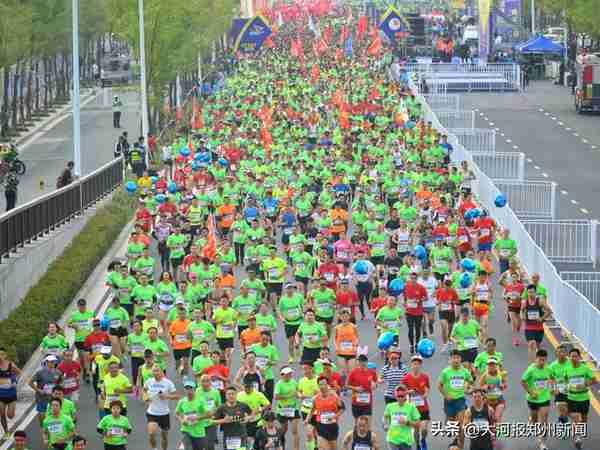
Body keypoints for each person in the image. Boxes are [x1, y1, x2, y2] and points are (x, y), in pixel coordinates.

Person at [566, 348, 597, 449]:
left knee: (583, 419)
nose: (573, 358)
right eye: (571, 356)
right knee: (576, 419)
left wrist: (584, 384)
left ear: (579, 357)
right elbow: (564, 380)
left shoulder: (585, 368)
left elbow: (594, 380)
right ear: (569, 357)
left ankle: (579, 433)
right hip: (571, 398)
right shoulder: (567, 369)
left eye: (575, 356)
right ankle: (577, 437)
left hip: (584, 398)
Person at [521, 349, 552, 450]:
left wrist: (553, 388)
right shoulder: (531, 369)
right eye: (540, 360)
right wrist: (531, 392)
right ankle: (531, 420)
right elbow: (523, 381)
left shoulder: (548, 369)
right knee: (534, 420)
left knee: (544, 420)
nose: (542, 362)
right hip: (533, 399)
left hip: (545, 398)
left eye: (544, 360)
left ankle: (542, 443)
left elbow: (553, 378)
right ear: (536, 359)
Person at [143, 364, 179, 450]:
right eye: (154, 371)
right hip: (152, 412)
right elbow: (144, 390)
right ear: (152, 372)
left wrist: (166, 396)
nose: (156, 373)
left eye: (157, 371)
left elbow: (177, 396)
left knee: (164, 437)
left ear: (162, 372)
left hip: (164, 413)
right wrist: (145, 397)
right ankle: (154, 448)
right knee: (151, 433)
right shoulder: (149, 381)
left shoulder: (168, 383)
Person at [305, 376, 345, 450]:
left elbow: (342, 408)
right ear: (318, 386)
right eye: (320, 384)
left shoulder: (334, 396)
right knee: (322, 447)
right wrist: (307, 419)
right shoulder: (315, 398)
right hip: (321, 426)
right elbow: (312, 410)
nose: (322, 386)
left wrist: (335, 416)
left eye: (324, 384)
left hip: (332, 427)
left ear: (327, 385)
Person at [213, 386, 253, 450]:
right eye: (229, 394)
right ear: (225, 396)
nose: (231, 396)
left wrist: (248, 418)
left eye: (233, 394)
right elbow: (212, 422)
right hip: (228, 438)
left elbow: (252, 415)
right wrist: (223, 420)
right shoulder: (221, 408)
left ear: (236, 395)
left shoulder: (243, 405)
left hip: (241, 436)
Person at [175, 379, 211, 450]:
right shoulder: (182, 401)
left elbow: (209, 414)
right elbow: (176, 413)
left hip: (199, 432)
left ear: (194, 389)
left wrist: (197, 418)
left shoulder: (201, 401)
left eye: (190, 388)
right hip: (186, 430)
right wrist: (181, 420)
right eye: (187, 388)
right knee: (187, 447)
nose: (189, 390)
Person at [383, 384, 421, 450]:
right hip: (392, 439)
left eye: (402, 396)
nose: (400, 398)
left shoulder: (411, 407)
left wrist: (407, 422)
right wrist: (385, 425)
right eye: (398, 396)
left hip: (406, 440)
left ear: (405, 396)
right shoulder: (390, 406)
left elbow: (418, 424)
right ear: (395, 396)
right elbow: (385, 417)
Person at [29, 355, 63, 426]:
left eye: (54, 362)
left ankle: (51, 431)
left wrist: (58, 390)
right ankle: (43, 428)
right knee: (42, 415)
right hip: (42, 398)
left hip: (53, 398)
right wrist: (38, 390)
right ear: (47, 362)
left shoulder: (58, 372)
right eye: (51, 362)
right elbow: (30, 382)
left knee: (53, 415)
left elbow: (61, 382)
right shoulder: (40, 373)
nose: (53, 363)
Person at [0, 347, 20, 438]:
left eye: (2, 354)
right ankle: (6, 432)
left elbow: (19, 373)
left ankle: (11, 415)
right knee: (2, 413)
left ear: (5, 355)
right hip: (1, 395)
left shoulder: (11, 365)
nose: (1, 356)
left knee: (10, 416)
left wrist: (15, 381)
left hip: (11, 394)